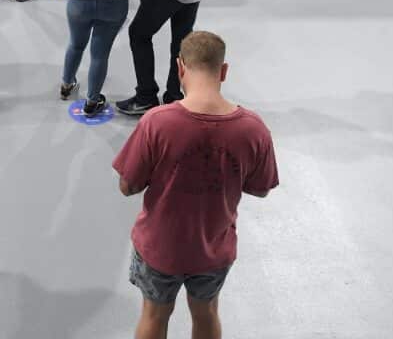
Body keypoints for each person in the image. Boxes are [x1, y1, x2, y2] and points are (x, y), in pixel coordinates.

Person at [112, 31, 278, 339]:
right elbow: (261, 188)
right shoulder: (253, 129)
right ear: (223, 71)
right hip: (214, 249)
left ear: (180, 68)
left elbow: (127, 186)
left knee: (154, 314)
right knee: (207, 312)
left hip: (160, 248)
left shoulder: (156, 122)